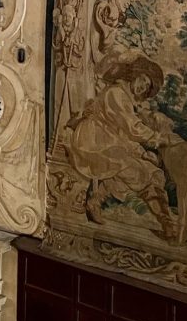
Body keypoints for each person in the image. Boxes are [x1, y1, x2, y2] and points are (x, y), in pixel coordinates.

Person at [65, 55, 177, 234]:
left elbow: (122, 135)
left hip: (109, 139)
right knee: (134, 169)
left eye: (147, 87)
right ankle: (96, 202)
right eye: (142, 80)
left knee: (151, 171)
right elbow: (131, 127)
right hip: (92, 138)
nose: (142, 87)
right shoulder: (116, 93)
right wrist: (157, 138)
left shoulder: (125, 97)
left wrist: (141, 152)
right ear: (135, 75)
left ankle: (167, 221)